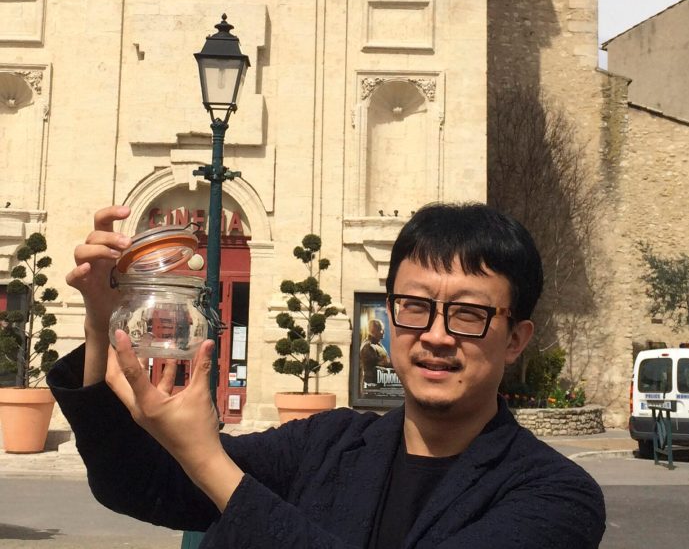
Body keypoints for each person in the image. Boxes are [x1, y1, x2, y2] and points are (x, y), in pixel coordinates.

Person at [48, 202, 605, 548]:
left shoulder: (556, 496)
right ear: (389, 316)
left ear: (515, 340)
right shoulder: (327, 445)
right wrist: (102, 321)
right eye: (414, 306)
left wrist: (208, 460)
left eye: (468, 314)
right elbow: (138, 485)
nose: (436, 335)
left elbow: (207, 473)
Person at [359, 316, 392, 389]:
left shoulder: (377, 344)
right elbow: (372, 369)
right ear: (374, 331)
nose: (383, 332)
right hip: (373, 386)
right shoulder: (368, 346)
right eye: (381, 329)